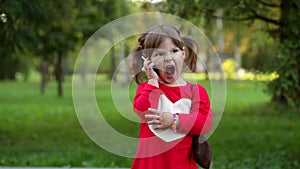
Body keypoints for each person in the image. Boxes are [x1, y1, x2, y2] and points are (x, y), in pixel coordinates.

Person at [130, 25, 212, 169]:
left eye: (174, 51)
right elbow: (142, 111)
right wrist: (153, 81)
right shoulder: (147, 88)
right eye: (159, 54)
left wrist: (174, 120)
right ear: (149, 61)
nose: (168, 58)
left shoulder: (196, 91)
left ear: (183, 53)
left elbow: (204, 123)